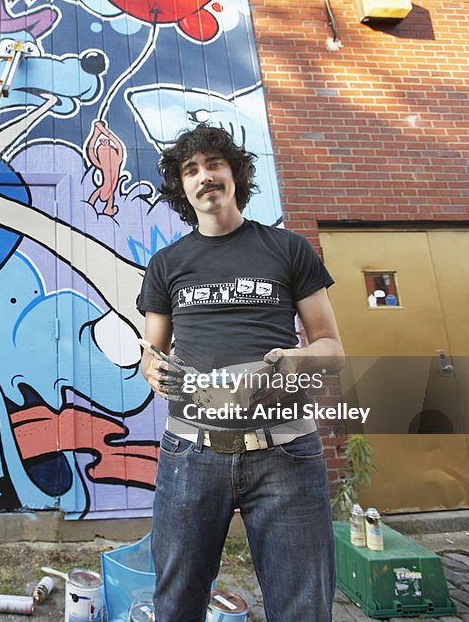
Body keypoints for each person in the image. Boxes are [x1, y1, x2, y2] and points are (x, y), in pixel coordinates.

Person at [137, 124, 345, 621]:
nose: (204, 176)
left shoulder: (288, 248)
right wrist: (150, 365)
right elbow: (151, 349)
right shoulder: (167, 263)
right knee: (176, 605)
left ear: (235, 175)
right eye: (191, 171)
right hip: (191, 452)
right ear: (183, 189)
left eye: (213, 165)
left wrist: (296, 360)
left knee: (303, 609)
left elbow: (332, 348)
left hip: (286, 453)